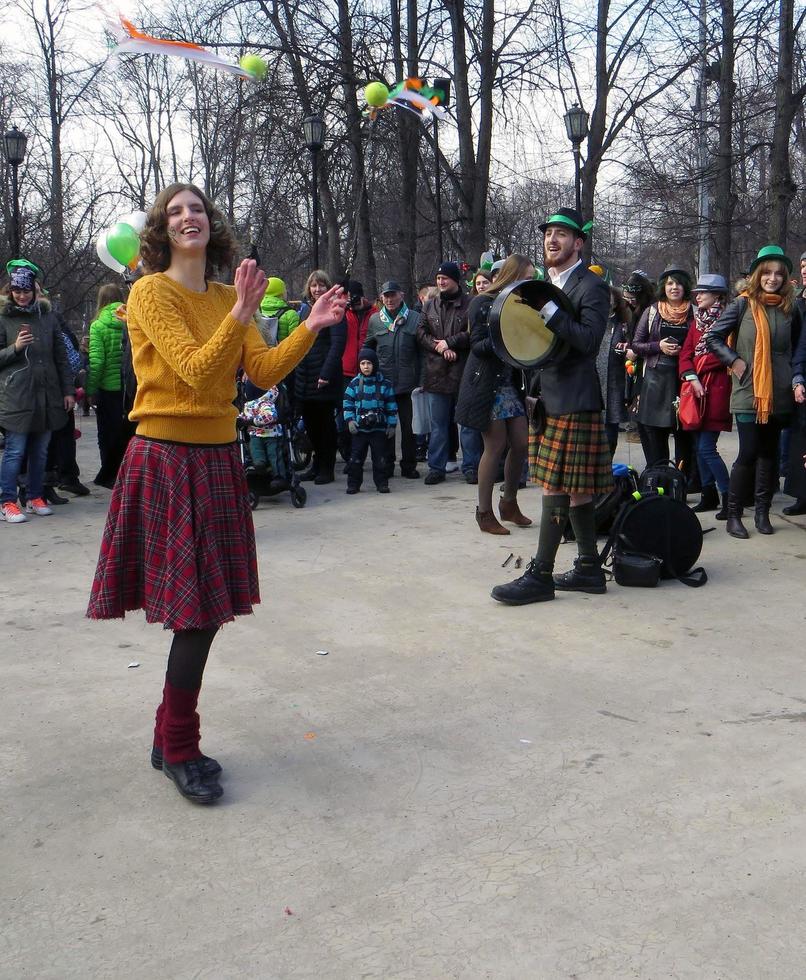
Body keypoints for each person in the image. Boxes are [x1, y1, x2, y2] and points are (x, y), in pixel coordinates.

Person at [86, 182, 347, 804]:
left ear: (211, 223)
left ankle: (168, 737)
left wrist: (308, 326)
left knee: (202, 611)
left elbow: (259, 372)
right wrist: (238, 316)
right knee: (195, 613)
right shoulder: (149, 293)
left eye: (197, 208)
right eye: (174, 211)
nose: (187, 217)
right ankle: (176, 743)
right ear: (160, 230)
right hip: (166, 458)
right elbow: (199, 371)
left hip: (215, 460)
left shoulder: (233, 294)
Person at [491, 207, 611, 603]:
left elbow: (588, 342)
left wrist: (551, 312)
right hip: (550, 397)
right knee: (576, 490)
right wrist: (532, 388)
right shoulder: (546, 284)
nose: (552, 239)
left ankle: (540, 575)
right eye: (548, 233)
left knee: (556, 485)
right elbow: (540, 348)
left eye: (562, 234)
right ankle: (590, 568)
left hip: (576, 398)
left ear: (578, 242)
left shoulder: (590, 286)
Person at [707, 244, 804, 538]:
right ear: (757, 275)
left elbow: (798, 346)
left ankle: (762, 513)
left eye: (778, 273)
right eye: (767, 272)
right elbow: (713, 338)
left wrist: (793, 375)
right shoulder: (742, 304)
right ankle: (734, 514)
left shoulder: (791, 307)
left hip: (779, 392)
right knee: (748, 452)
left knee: (769, 453)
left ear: (785, 277)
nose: (772, 278)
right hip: (749, 391)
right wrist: (734, 361)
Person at [456, 253, 532, 534]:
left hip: (509, 384)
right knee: (495, 445)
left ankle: (508, 503)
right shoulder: (482, 302)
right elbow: (476, 346)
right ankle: (484, 513)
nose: (530, 282)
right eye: (527, 277)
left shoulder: (521, 303)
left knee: (522, 443)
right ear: (512, 276)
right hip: (485, 384)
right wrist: (506, 335)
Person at [0, 260, 75, 523]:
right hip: (16, 396)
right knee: (15, 451)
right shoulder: (3, 318)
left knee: (40, 451)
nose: (22, 296)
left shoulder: (48, 317)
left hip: (47, 395)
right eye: (17, 291)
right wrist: (15, 348)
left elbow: (61, 357)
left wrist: (68, 390)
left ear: (35, 291)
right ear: (10, 291)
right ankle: (7, 501)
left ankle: (34, 496)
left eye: (26, 291)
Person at [416, 261, 480, 485]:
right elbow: (421, 333)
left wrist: (450, 342)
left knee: (468, 424)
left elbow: (473, 333)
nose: (441, 282)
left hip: (463, 372)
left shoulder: (470, 303)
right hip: (436, 373)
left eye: (445, 278)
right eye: (438, 278)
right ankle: (436, 467)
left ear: (455, 280)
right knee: (438, 425)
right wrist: (439, 347)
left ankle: (471, 466)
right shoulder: (429, 305)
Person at [631, 266, 696, 472]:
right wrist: (658, 346)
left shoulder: (694, 311)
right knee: (655, 437)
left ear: (684, 287)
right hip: (655, 381)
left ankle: (682, 484)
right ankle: (659, 480)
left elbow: (703, 344)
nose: (674, 287)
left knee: (684, 437)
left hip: (684, 380)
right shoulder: (652, 311)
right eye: (669, 283)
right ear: (663, 287)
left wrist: (684, 351)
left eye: (677, 283)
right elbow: (636, 344)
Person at [678, 274, 732, 517]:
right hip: (696, 392)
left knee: (707, 448)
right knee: (699, 448)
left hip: (718, 391)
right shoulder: (696, 323)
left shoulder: (728, 320)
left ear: (717, 296)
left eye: (703, 293)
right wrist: (692, 377)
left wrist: (698, 368)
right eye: (696, 293)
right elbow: (685, 354)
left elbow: (726, 354)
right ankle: (708, 495)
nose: (697, 296)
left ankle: (730, 496)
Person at [294, 270, 346, 485]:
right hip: (305, 376)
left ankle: (327, 467)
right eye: (314, 286)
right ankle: (316, 465)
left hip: (323, 376)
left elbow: (337, 344)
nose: (317, 289)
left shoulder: (335, 309)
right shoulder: (305, 310)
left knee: (325, 426)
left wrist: (326, 373)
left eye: (321, 285)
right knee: (311, 425)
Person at [365, 280, 422, 478]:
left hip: (408, 384)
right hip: (384, 385)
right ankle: (386, 464)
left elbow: (422, 352)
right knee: (385, 427)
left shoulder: (415, 318)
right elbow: (368, 348)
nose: (389, 299)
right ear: (381, 298)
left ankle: (409, 465)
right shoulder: (375, 320)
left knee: (408, 428)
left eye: (393, 295)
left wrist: (421, 381)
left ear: (401, 295)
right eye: (386, 296)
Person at [87, 283, 128, 488]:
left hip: (108, 389)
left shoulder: (98, 326)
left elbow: (97, 362)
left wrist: (91, 390)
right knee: (127, 431)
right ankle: (127, 471)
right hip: (129, 386)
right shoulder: (131, 320)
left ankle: (109, 474)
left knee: (107, 432)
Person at [343, 347, 398, 494]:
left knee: (380, 459)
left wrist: (392, 425)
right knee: (355, 460)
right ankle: (353, 484)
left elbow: (391, 406)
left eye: (369, 363)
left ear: (375, 364)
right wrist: (349, 421)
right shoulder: (354, 384)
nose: (366, 367)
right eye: (362, 363)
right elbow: (347, 404)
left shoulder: (385, 384)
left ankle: (382, 483)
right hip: (359, 430)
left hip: (378, 430)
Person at [782, 251, 806, 515]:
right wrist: (797, 378)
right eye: (802, 266)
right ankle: (802, 495)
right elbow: (800, 346)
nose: (805, 270)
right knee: (800, 435)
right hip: (799, 373)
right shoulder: (796, 302)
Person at [258, 276, 299, 344]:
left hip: (261, 352)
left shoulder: (256, 311)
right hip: (282, 353)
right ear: (282, 292)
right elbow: (296, 342)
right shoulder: (291, 314)